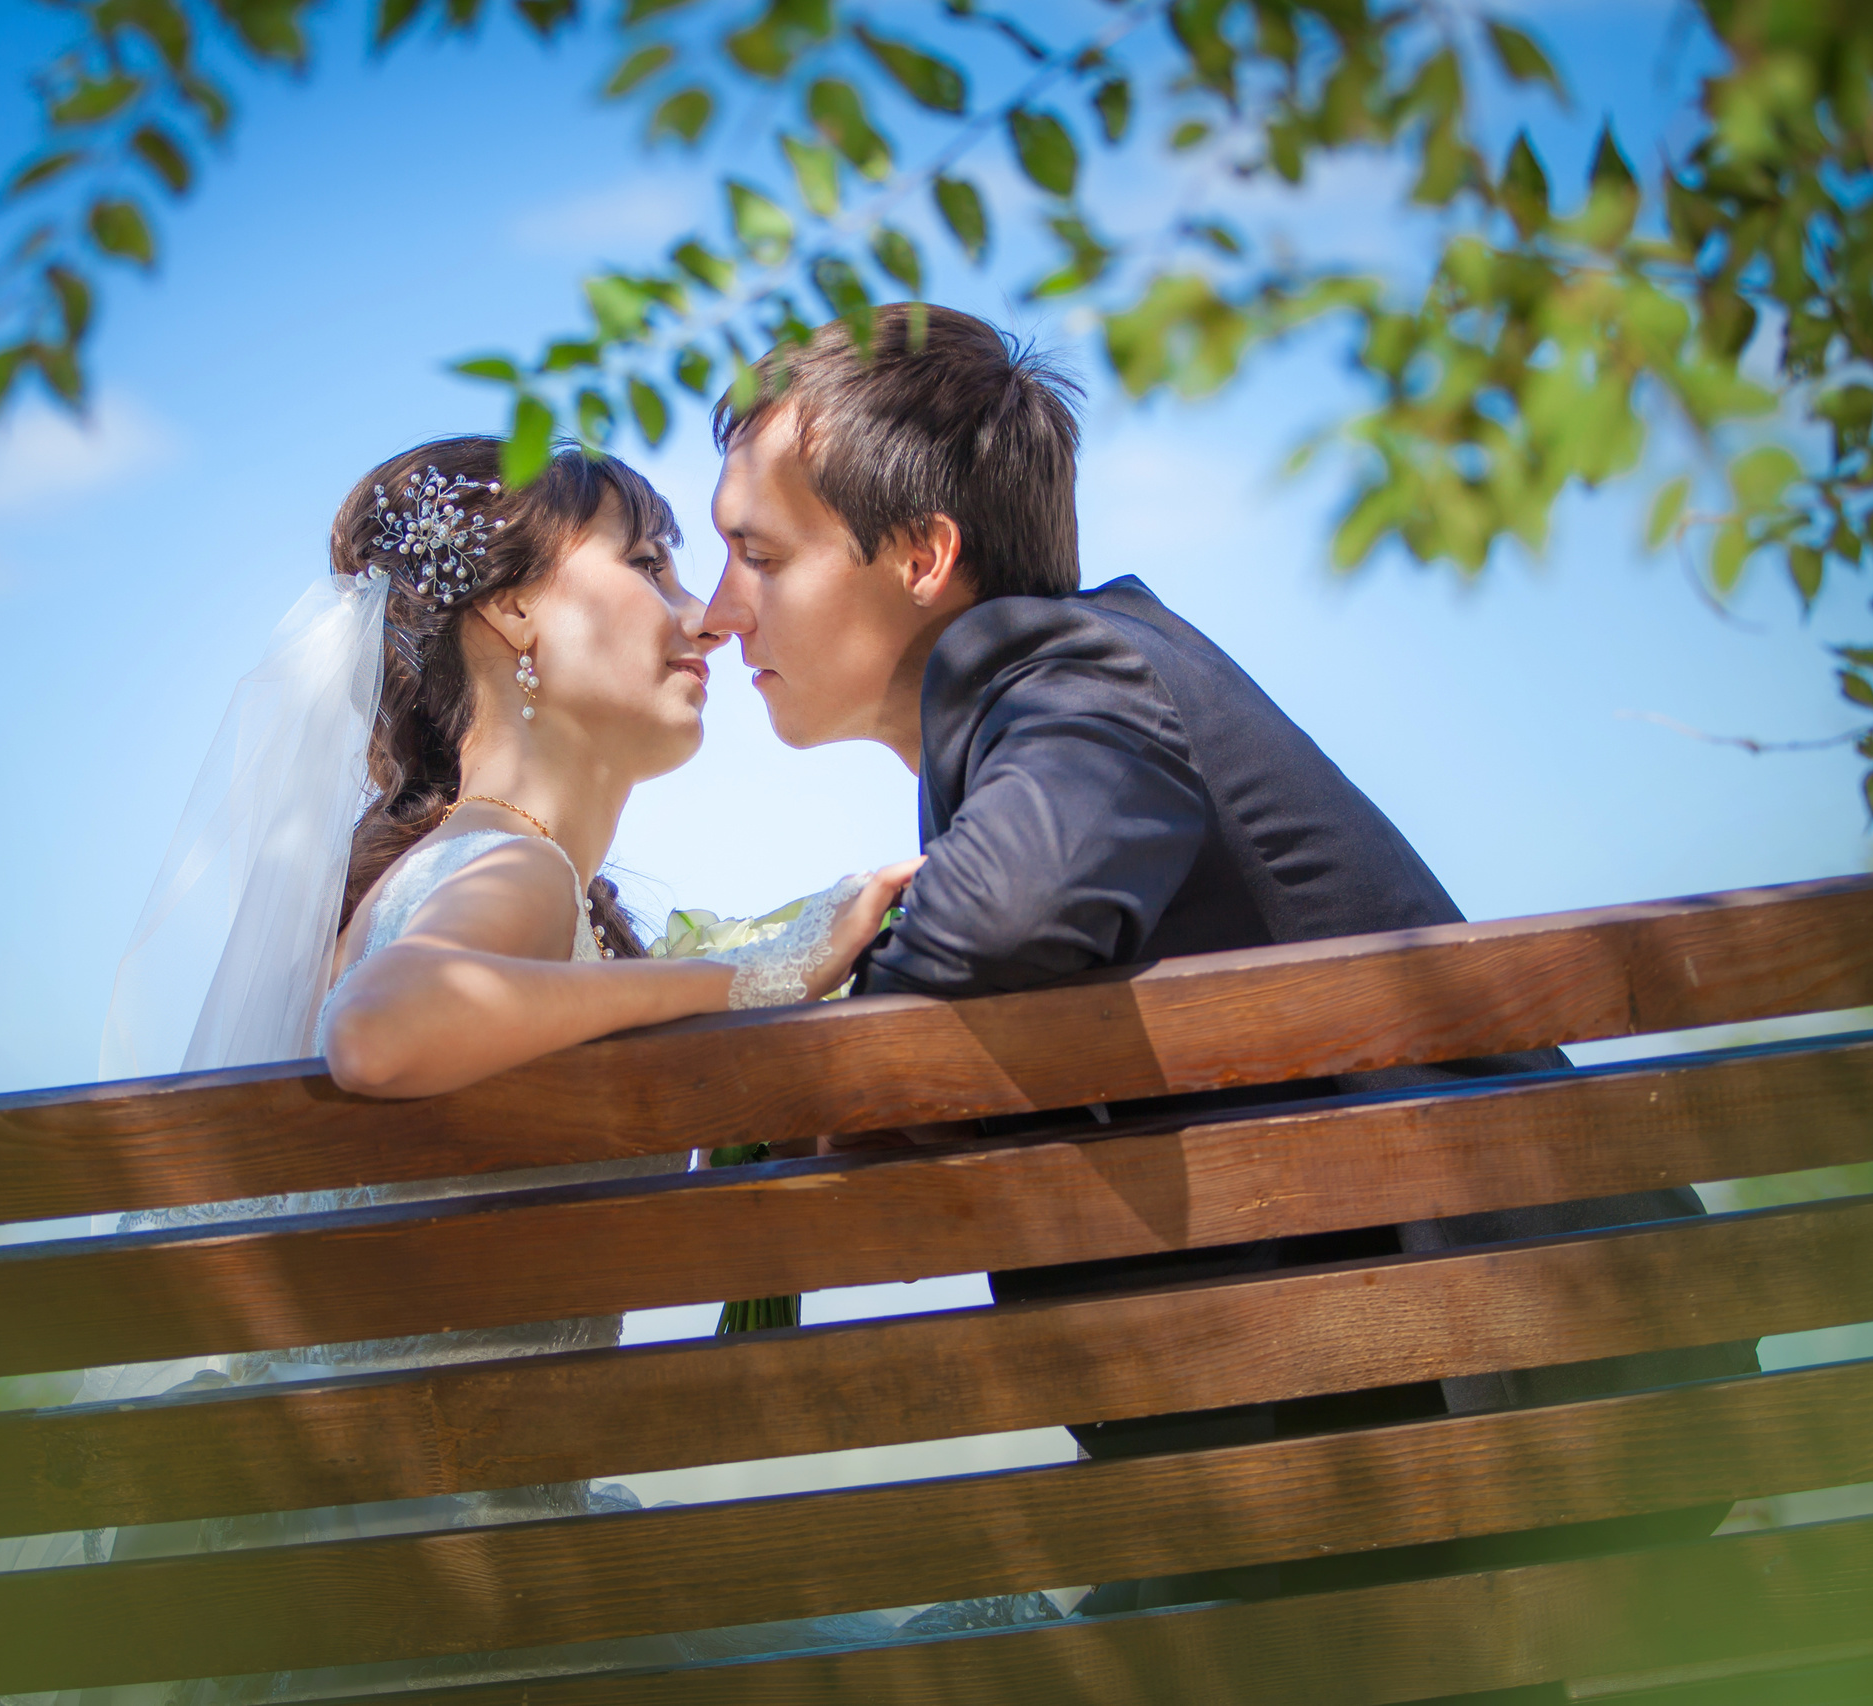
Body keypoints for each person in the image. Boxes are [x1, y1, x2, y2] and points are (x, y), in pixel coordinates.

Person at [701, 304, 1758, 1615]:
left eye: (757, 554)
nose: (713, 610)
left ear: (922, 553)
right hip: (1441, 1413)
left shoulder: (1055, 665)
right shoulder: (1086, 680)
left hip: (1446, 1425)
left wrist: (851, 1018)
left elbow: (1019, 910)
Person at [0, 437, 1029, 1706]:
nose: (701, 614)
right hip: (428, 1595)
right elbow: (384, 1030)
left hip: (347, 1569)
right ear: (511, 610)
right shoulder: (502, 869)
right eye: (646, 559)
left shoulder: (462, 876)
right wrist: (761, 977)